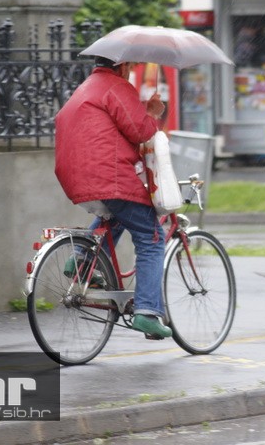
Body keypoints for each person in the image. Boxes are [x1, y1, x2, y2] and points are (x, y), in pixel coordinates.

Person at [53, 56, 172, 339]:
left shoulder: (87, 87)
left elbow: (112, 127)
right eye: (130, 66)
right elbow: (141, 131)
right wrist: (153, 113)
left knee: (117, 216)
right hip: (109, 174)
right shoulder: (116, 86)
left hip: (75, 174)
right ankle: (147, 312)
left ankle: (81, 260)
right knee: (152, 237)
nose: (131, 71)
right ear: (121, 66)